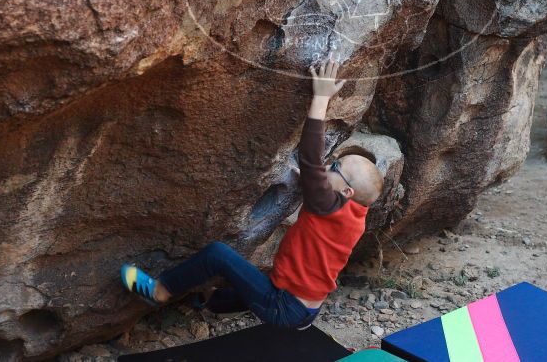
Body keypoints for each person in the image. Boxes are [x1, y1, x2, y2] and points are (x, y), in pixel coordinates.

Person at [119, 58, 384, 330]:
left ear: (346, 191)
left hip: (284, 306)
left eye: (336, 166)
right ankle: (208, 301)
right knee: (247, 285)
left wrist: (321, 99)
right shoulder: (354, 215)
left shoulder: (329, 204)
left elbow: (310, 159)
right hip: (305, 309)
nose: (329, 164)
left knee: (217, 255)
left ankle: (159, 291)